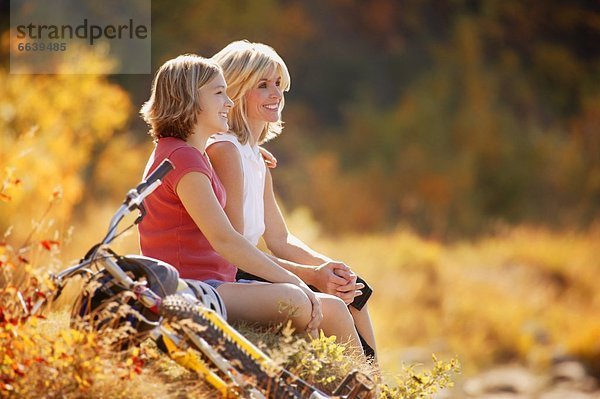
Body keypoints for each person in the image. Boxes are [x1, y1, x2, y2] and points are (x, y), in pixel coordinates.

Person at [137, 54, 365, 355]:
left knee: (334, 308)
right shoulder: (183, 158)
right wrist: (296, 281)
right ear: (189, 99)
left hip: (214, 284)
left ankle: (369, 387)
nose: (229, 103)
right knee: (296, 299)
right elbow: (226, 240)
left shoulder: (186, 154)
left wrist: (255, 153)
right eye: (219, 93)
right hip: (193, 288)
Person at [206, 40, 377, 359]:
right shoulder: (225, 151)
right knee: (336, 303)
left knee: (355, 290)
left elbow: (280, 238)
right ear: (237, 90)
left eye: (279, 85)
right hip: (236, 270)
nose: (276, 94)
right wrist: (312, 276)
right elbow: (236, 250)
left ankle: (377, 385)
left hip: (252, 263)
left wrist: (327, 266)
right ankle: (366, 386)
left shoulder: (255, 157)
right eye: (263, 85)